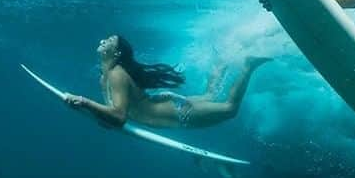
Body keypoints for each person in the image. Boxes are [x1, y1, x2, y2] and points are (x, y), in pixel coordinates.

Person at [62, 34, 270, 129]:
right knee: (210, 96)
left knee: (230, 109)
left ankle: (247, 66)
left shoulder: (115, 75)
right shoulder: (105, 76)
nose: (101, 41)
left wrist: (84, 102)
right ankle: (220, 67)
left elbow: (119, 117)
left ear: (116, 52)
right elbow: (114, 111)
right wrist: (90, 110)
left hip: (179, 115)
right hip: (166, 104)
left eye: (107, 41)